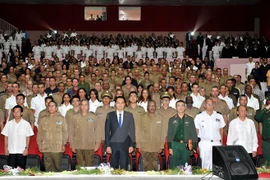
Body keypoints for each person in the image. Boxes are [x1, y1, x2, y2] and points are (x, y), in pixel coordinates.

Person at [105, 96, 135, 170]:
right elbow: (107, 131)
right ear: (115, 104)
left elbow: (132, 131)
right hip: (113, 145)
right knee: (113, 168)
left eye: (122, 103)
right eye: (118, 103)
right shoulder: (110, 115)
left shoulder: (129, 115)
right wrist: (108, 145)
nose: (120, 104)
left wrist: (131, 145)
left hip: (125, 145)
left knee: (124, 168)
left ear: (125, 104)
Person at [195, 98, 225, 170]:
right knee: (204, 165)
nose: (210, 106)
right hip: (204, 142)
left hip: (216, 142)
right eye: (208, 104)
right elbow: (196, 131)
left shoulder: (219, 116)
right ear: (205, 105)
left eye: (212, 104)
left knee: (216, 163)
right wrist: (196, 144)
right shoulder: (199, 116)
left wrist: (222, 143)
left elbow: (221, 130)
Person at [37, 101, 68, 172]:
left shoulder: (61, 118)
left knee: (57, 167)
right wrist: (39, 144)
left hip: (57, 147)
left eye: (53, 106)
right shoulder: (43, 119)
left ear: (56, 108)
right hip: (46, 147)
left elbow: (65, 132)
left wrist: (64, 144)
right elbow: (40, 133)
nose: (51, 108)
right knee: (47, 168)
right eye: (49, 106)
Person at [1, 105, 34, 169]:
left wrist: (26, 148)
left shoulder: (26, 124)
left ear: (21, 113)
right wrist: (5, 148)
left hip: (22, 151)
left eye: (18, 112)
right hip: (11, 151)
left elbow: (28, 137)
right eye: (14, 112)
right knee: (11, 170)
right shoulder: (9, 124)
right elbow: (6, 137)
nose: (16, 113)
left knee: (21, 170)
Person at [70, 99, 100, 166]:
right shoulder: (74, 117)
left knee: (89, 166)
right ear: (80, 106)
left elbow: (97, 131)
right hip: (78, 145)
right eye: (82, 105)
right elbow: (71, 132)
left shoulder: (94, 117)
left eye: (86, 105)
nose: (84, 107)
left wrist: (97, 144)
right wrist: (72, 145)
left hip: (90, 145)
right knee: (80, 166)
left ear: (88, 106)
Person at [168, 100, 197, 168]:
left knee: (186, 165)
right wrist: (170, 147)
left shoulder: (190, 119)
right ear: (176, 108)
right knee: (175, 166)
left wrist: (193, 147)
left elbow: (193, 133)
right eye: (178, 105)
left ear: (185, 107)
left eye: (182, 105)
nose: (180, 107)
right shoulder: (171, 119)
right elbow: (170, 134)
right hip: (175, 145)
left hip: (186, 145)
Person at [137, 101, 163, 171]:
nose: (152, 107)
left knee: (155, 166)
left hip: (155, 146)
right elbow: (138, 131)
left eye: (153, 106)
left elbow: (162, 133)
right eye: (150, 106)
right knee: (145, 165)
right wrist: (138, 145)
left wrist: (161, 146)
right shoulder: (142, 117)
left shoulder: (160, 117)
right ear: (147, 107)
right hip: (144, 146)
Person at [254, 100, 270, 165]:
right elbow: (256, 117)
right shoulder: (265, 114)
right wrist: (266, 108)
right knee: (267, 162)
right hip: (267, 142)